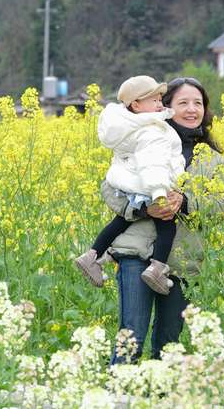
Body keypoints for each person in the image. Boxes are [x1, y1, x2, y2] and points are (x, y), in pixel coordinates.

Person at [101, 77, 224, 363]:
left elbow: (221, 205)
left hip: (182, 259)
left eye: (198, 103)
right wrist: (145, 208)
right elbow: (109, 188)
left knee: (169, 340)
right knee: (131, 333)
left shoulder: (212, 159)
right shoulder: (141, 139)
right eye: (182, 102)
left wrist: (184, 202)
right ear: (165, 107)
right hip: (136, 251)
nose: (191, 109)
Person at [75, 75, 185, 294]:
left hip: (129, 184)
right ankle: (157, 268)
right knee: (167, 222)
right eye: (154, 100)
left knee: (120, 221)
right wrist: (159, 192)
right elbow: (152, 162)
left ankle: (92, 255)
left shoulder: (124, 125)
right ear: (136, 104)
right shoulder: (150, 129)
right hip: (147, 185)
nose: (160, 104)